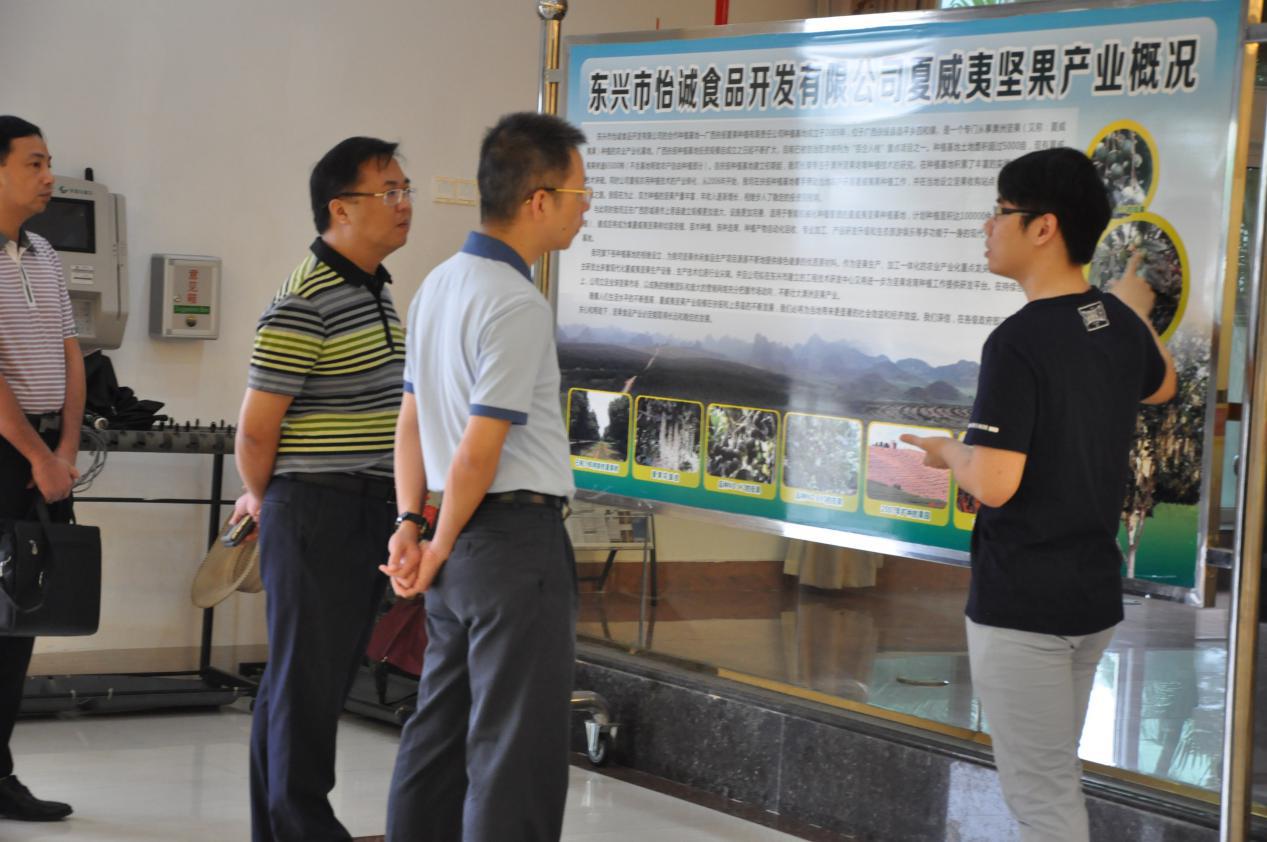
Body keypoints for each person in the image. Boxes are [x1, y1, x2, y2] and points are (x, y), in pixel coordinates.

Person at [903, 147, 1176, 842]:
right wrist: (1133, 308)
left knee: (1042, 800)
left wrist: (947, 452)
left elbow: (995, 482)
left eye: (1000, 212)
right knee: (1053, 781)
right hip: (1089, 595)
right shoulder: (1115, 321)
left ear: (1043, 227)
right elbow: (1163, 385)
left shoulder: (1017, 342)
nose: (987, 227)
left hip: (1023, 603)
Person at [383, 111, 587, 842]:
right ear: (538, 200)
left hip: (458, 540)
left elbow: (410, 423)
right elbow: (478, 448)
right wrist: (433, 541)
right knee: (515, 751)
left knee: (439, 731)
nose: (586, 207)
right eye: (579, 193)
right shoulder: (515, 301)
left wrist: (413, 524)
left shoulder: (439, 283)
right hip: (511, 546)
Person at [231, 136, 412, 841]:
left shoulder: (372, 289)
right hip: (316, 508)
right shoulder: (305, 299)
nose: (403, 204)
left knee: (307, 684)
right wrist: (265, 496)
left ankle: (279, 830)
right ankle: (305, 827)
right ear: (341, 208)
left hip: (359, 506)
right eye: (388, 192)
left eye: (406, 190)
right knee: (306, 687)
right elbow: (255, 430)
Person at [0, 116, 82, 823]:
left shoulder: (46, 253)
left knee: (21, 618)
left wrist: (66, 450)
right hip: (9, 451)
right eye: (34, 163)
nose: (50, 175)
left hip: (46, 452)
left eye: (48, 161)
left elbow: (71, 353)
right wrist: (36, 454)